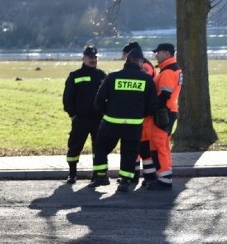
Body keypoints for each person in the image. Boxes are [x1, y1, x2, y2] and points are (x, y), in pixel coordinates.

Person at [87, 48, 158, 193]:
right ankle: (125, 182)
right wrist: (139, 114)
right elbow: (152, 106)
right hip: (133, 124)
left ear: (127, 60)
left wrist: (109, 111)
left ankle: (101, 176)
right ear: (139, 61)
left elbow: (98, 100)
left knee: (100, 147)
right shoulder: (146, 80)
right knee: (129, 153)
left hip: (111, 122)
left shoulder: (113, 77)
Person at [62, 45, 106, 184]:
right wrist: (72, 114)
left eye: (95, 57)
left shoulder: (102, 76)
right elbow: (67, 97)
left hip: (98, 119)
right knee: (75, 146)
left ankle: (98, 175)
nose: (93, 60)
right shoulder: (75, 75)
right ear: (84, 58)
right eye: (90, 57)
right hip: (80, 119)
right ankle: (72, 173)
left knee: (98, 147)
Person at [145, 43, 182, 191]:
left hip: (162, 112)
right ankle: (164, 176)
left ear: (166, 53)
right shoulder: (175, 69)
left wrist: (151, 108)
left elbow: (164, 95)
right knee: (163, 145)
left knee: (159, 145)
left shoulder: (167, 72)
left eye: (158, 53)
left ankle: (164, 179)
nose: (156, 55)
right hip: (169, 111)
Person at [122, 41, 156, 184]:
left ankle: (149, 177)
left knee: (143, 148)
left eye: (125, 55)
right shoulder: (143, 66)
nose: (123, 57)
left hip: (143, 116)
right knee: (135, 148)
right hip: (138, 113)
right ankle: (133, 175)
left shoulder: (145, 67)